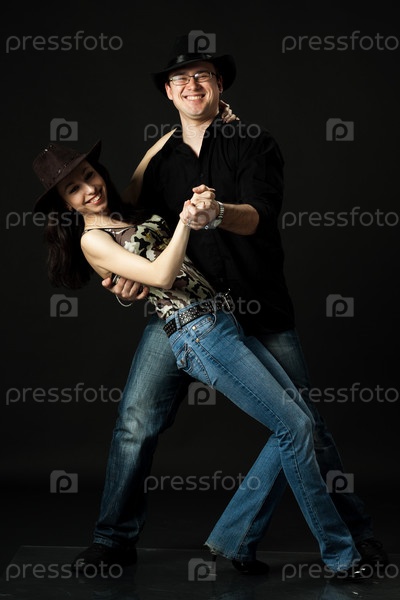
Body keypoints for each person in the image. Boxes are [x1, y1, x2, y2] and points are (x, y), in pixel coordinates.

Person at [70, 34, 388, 574]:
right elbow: (122, 225)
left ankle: (351, 537)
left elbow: (260, 215)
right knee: (134, 424)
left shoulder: (253, 142)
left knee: (304, 423)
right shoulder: (162, 160)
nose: (191, 85)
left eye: (202, 75)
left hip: (259, 304)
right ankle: (113, 539)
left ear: (219, 85)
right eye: (180, 79)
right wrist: (120, 281)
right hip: (187, 314)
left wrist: (217, 213)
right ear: (168, 93)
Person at [32, 138, 371, 579]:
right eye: (74, 188)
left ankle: (237, 539)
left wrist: (185, 128)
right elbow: (161, 275)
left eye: (90, 175)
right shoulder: (93, 239)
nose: (89, 188)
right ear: (65, 203)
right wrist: (186, 220)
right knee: (145, 424)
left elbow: (144, 164)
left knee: (299, 423)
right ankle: (341, 557)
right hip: (194, 330)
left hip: (222, 318)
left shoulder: (123, 206)